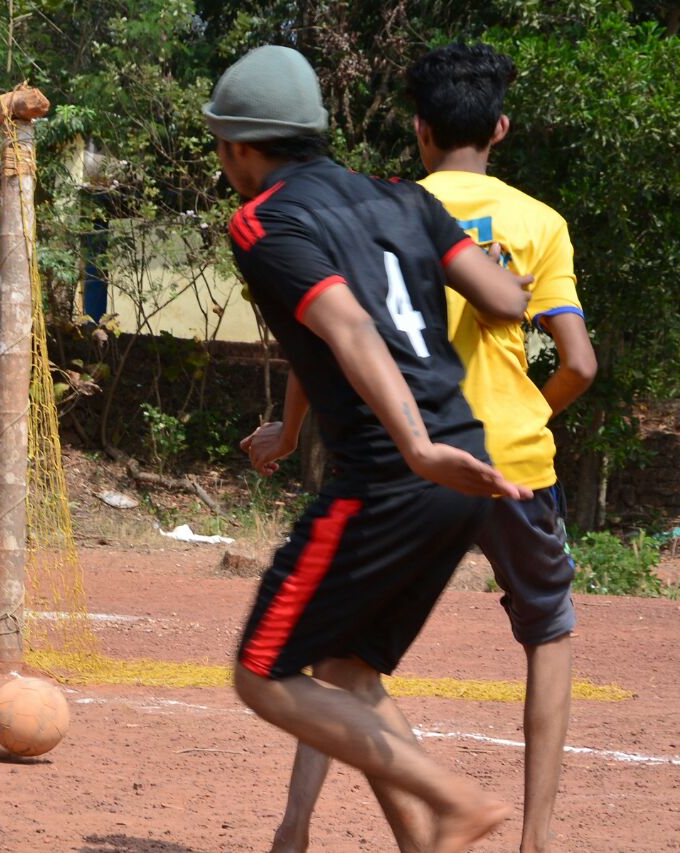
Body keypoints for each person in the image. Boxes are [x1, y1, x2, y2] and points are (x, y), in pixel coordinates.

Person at [259, 43, 596, 853]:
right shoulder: (540, 223)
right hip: (512, 458)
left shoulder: (383, 209)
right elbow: (580, 362)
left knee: (340, 656)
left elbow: (333, 331)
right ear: (502, 128)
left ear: (419, 130)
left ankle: (295, 830)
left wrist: (290, 429)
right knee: (548, 635)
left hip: (409, 460)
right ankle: (537, 839)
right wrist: (534, 417)